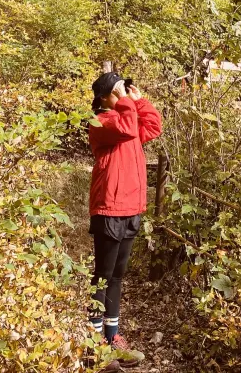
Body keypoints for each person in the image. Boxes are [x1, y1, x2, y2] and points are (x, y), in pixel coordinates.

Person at [87, 71, 162, 362]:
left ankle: (112, 334)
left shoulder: (125, 117)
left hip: (131, 206)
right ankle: (94, 342)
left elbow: (152, 127)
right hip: (109, 207)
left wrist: (139, 100)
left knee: (117, 275)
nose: (121, 94)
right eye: (116, 90)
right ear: (104, 97)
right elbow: (128, 128)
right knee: (103, 277)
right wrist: (126, 104)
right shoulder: (102, 121)